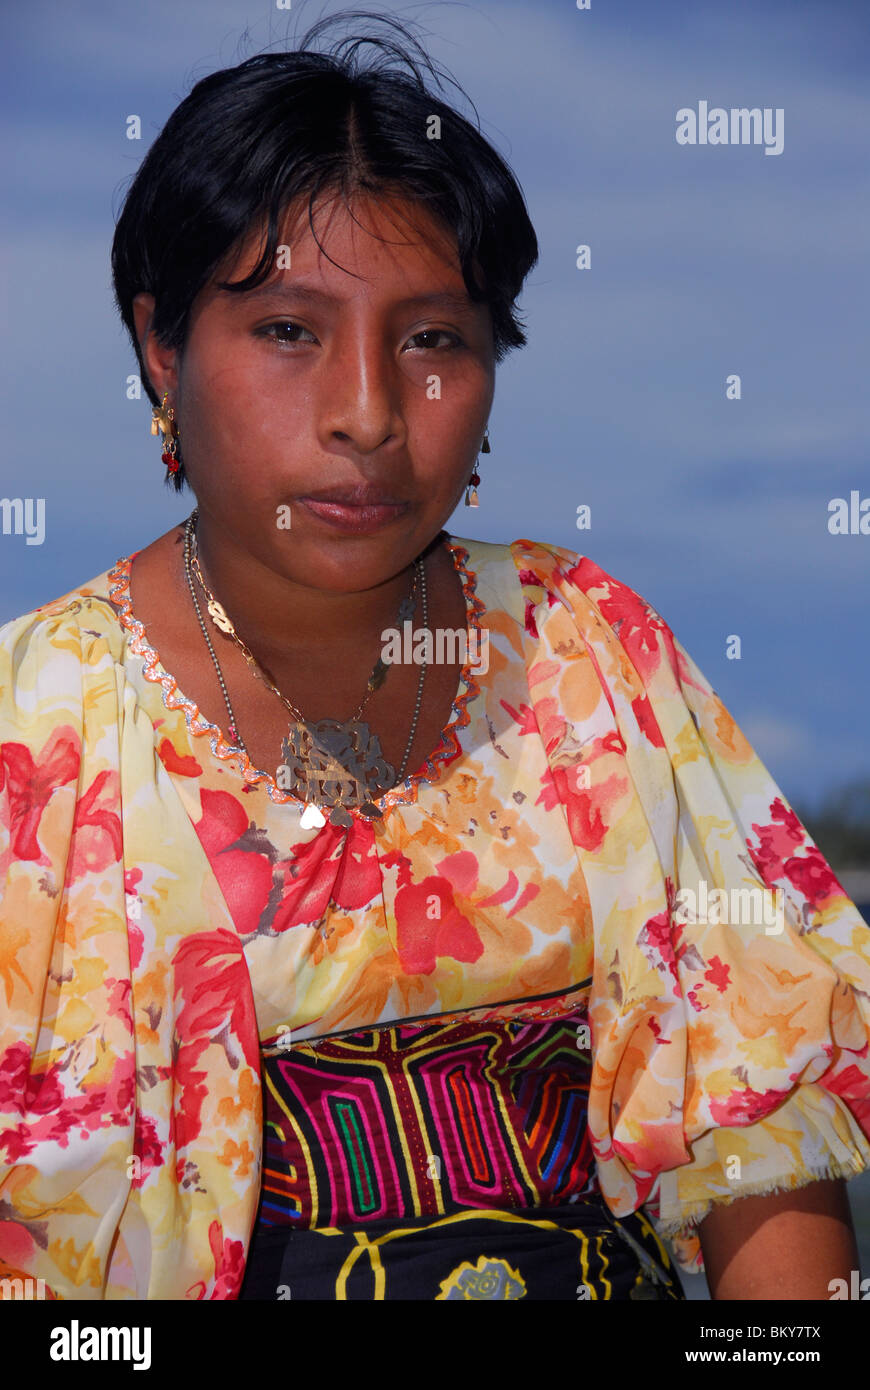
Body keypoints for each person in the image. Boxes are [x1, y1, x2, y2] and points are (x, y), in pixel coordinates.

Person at [1, 14, 868, 1302]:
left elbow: (763, 1152)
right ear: (163, 350)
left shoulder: (586, 656)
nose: (367, 411)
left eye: (432, 340)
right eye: (289, 330)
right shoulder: (39, 730)